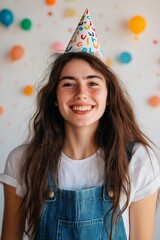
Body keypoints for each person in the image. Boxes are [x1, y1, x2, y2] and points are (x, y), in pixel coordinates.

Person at [1, 9, 160, 240]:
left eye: (93, 83)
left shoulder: (138, 161)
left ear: (109, 96)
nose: (81, 94)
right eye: (68, 84)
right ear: (55, 98)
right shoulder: (22, 161)